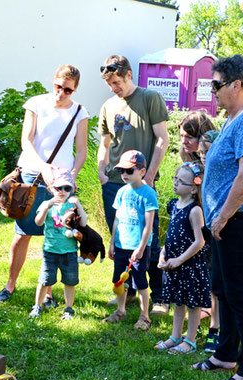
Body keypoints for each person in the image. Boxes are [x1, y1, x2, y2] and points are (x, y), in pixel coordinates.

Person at [192, 54, 243, 380]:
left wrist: (222, 216)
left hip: (239, 219)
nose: (213, 92)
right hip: (226, 220)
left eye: (216, 85)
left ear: (236, 85)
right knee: (223, 290)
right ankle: (226, 355)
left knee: (239, 295)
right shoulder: (235, 118)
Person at [0, 65, 90, 305]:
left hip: (61, 183)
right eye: (58, 86)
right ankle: (10, 285)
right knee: (23, 233)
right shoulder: (36, 103)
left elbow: (81, 150)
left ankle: (47, 292)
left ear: (75, 89)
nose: (61, 93)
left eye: (68, 90)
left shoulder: (79, 111)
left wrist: (72, 175)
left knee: (56, 235)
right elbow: (27, 141)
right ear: (53, 82)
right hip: (32, 176)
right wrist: (44, 167)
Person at [97, 55, 170, 315]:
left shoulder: (150, 98)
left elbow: (163, 139)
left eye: (116, 82)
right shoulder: (107, 106)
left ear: (129, 75)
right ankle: (124, 291)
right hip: (114, 184)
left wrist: (150, 175)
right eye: (109, 84)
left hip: (142, 183)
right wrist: (102, 173)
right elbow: (104, 144)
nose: (113, 88)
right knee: (121, 239)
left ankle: (159, 297)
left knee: (147, 240)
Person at [153, 162, 210, 354]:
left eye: (181, 181)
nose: (175, 183)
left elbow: (199, 241)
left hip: (190, 265)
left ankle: (190, 340)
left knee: (193, 304)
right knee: (178, 301)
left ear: (194, 188)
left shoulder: (195, 210)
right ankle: (175, 336)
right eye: (175, 179)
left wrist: (180, 260)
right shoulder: (174, 205)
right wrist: (164, 252)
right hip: (174, 263)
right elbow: (171, 234)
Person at [178, 112, 222, 352]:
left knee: (215, 280)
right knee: (198, 277)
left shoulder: (213, 159)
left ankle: (215, 329)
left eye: (189, 137)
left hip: (214, 223)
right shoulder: (190, 161)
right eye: (182, 136)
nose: (184, 141)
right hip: (195, 224)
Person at [102, 150, 159, 331]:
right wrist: (112, 243)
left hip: (138, 247)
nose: (124, 175)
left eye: (129, 171)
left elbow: (149, 225)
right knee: (120, 280)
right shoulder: (121, 192)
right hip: (121, 245)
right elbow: (117, 219)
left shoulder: (148, 193)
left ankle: (145, 316)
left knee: (140, 282)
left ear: (142, 171)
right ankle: (121, 311)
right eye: (122, 171)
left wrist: (141, 247)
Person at [29, 169, 87, 320]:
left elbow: (84, 223)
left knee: (70, 281)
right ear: (51, 188)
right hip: (50, 250)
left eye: (66, 188)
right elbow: (38, 222)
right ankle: (37, 306)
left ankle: (69, 308)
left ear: (72, 189)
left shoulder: (72, 205)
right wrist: (47, 206)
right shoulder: (46, 204)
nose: (62, 191)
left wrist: (79, 206)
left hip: (70, 251)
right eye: (58, 188)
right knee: (44, 280)